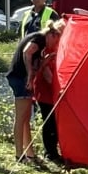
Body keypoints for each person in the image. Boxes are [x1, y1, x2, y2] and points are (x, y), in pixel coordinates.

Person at [6, 19, 65, 164]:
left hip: (21, 79)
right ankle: (19, 155)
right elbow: (27, 53)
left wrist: (44, 62)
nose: (56, 45)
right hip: (20, 78)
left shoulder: (41, 45)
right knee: (21, 118)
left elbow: (37, 66)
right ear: (53, 35)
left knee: (26, 118)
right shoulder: (39, 38)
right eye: (57, 42)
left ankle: (30, 153)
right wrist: (29, 76)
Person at [32, 22, 65, 165]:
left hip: (53, 90)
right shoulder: (46, 49)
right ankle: (50, 152)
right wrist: (58, 87)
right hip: (45, 91)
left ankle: (53, 150)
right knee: (49, 121)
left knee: (54, 121)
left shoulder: (56, 46)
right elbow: (46, 73)